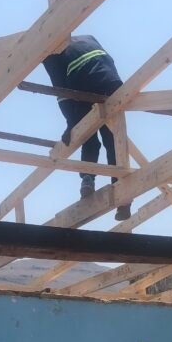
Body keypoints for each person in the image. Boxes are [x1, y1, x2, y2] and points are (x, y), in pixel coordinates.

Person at [42, 35, 131, 221]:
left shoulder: (49, 53)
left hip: (82, 83)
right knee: (113, 138)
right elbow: (108, 60)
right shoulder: (88, 38)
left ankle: (87, 179)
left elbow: (61, 93)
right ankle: (122, 190)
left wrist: (71, 125)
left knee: (88, 136)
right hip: (110, 80)